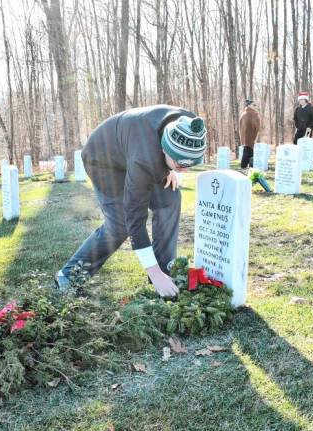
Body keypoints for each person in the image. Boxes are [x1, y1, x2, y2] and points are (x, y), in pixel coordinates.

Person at [54, 105, 208, 298]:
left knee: (170, 199)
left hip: (133, 147)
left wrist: (171, 168)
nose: (184, 170)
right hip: (103, 160)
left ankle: (164, 272)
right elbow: (134, 219)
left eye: (190, 165)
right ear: (165, 149)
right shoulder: (144, 161)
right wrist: (151, 270)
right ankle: (69, 276)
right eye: (180, 164)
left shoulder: (190, 124)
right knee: (119, 225)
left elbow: (178, 154)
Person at [238, 99, 261, 168]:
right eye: (253, 105)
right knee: (249, 151)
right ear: (250, 105)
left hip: (244, 137)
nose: (255, 106)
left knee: (248, 151)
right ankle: (245, 166)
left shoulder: (243, 114)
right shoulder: (254, 114)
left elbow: (240, 126)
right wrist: (257, 134)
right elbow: (257, 126)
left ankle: (247, 166)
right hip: (251, 137)